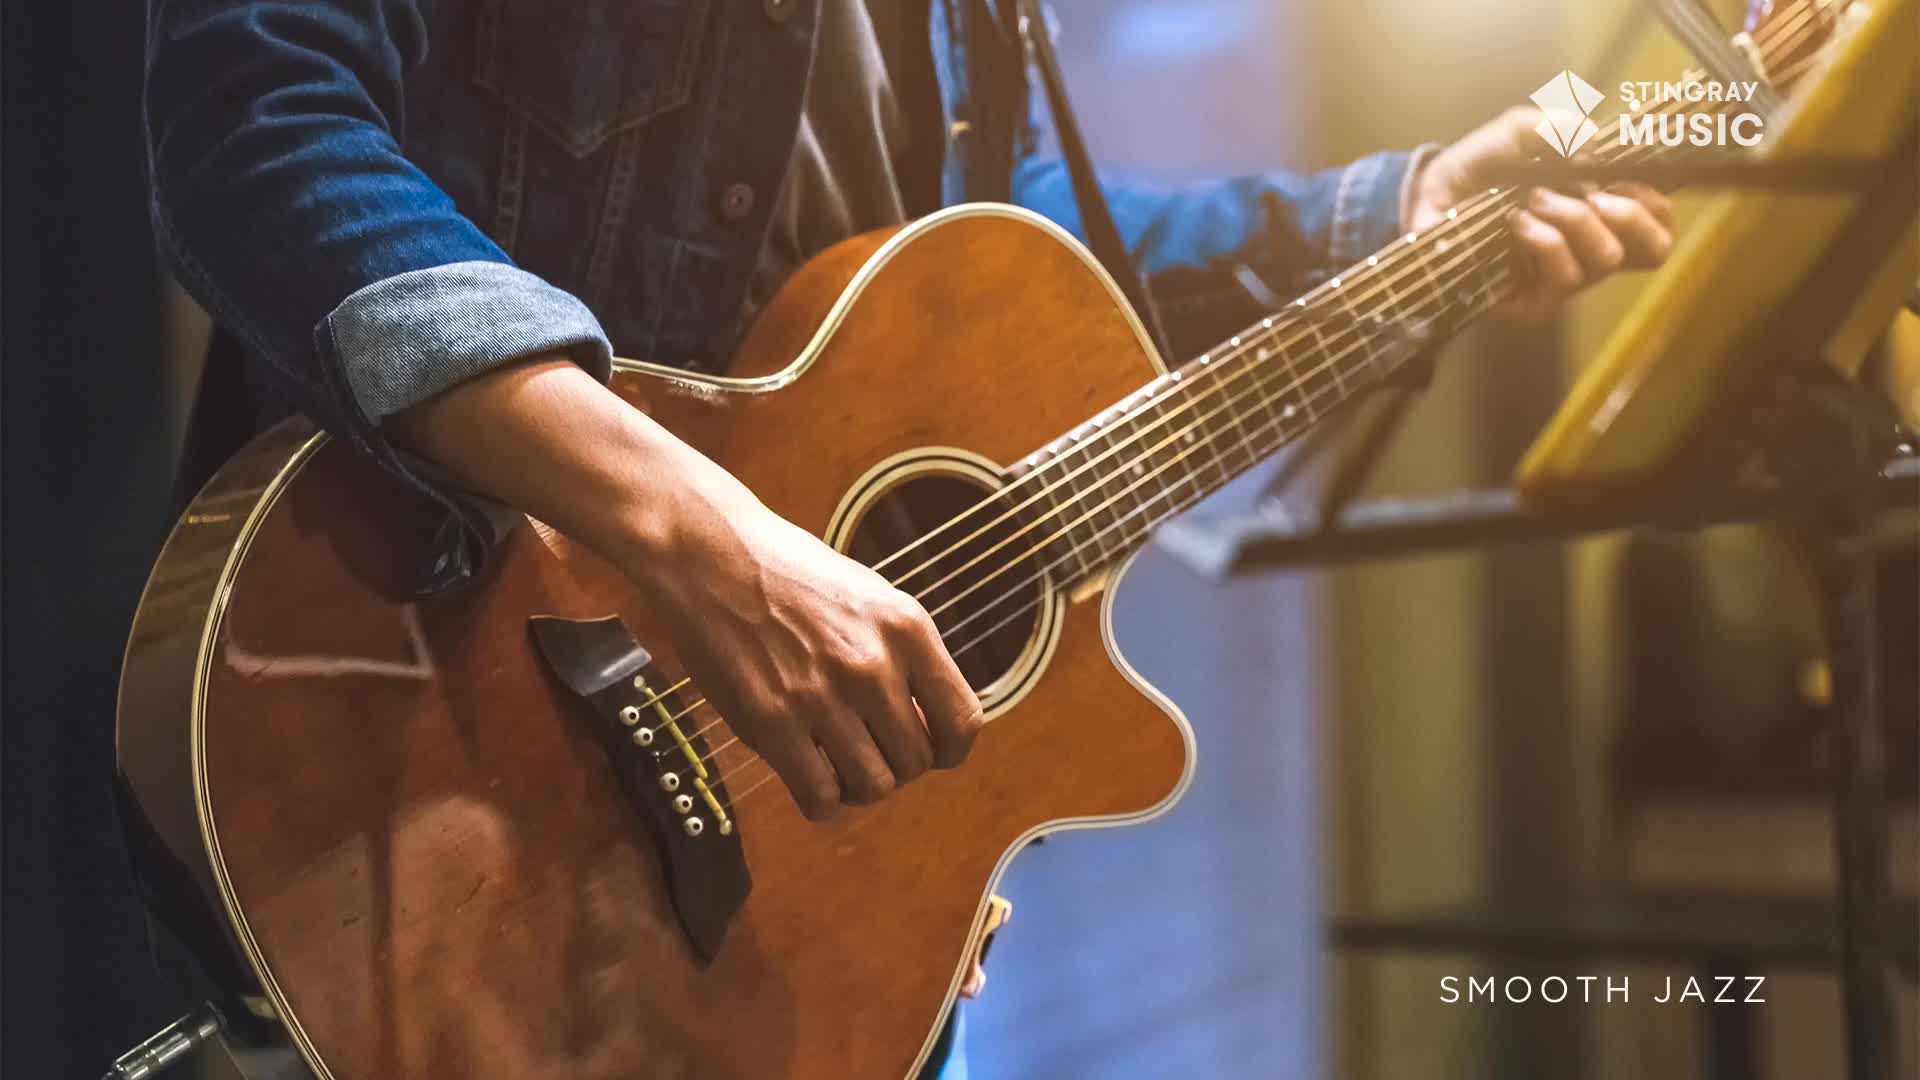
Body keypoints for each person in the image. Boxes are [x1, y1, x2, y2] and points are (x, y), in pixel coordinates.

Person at [144, 1, 1673, 1073]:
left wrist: (1389, 213)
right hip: (422, 735)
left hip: (789, 909)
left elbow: (983, 233)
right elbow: (257, 121)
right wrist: (710, 545)